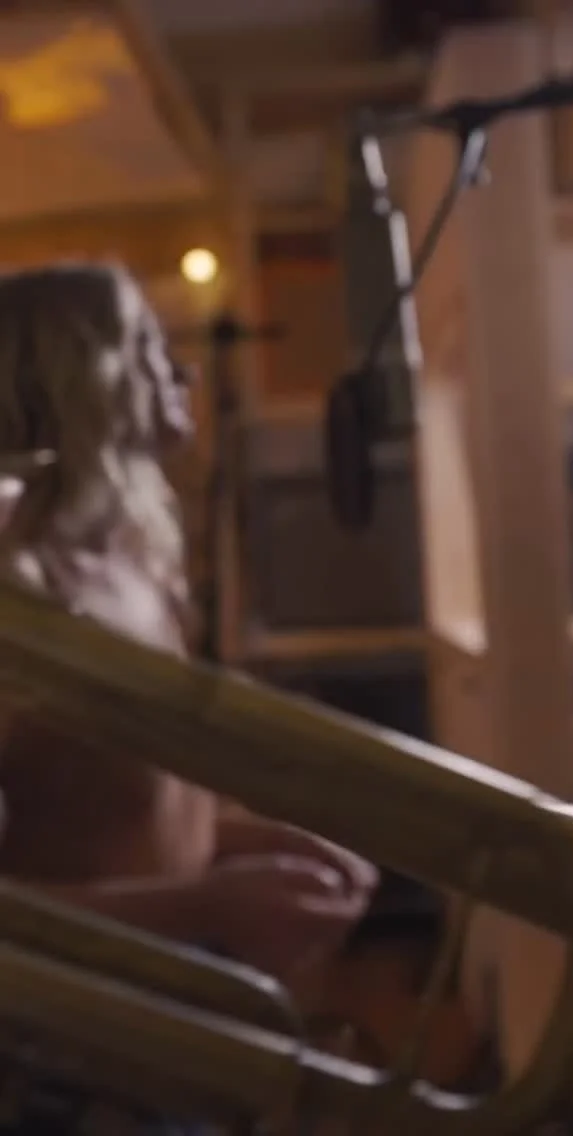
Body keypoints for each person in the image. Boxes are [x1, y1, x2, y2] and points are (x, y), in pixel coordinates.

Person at [0, 261, 376, 1131]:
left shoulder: (126, 561)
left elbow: (99, 819)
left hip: (164, 1022)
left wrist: (248, 845)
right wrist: (206, 906)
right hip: (65, 1064)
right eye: (145, 346)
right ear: (73, 377)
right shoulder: (16, 591)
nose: (183, 371)